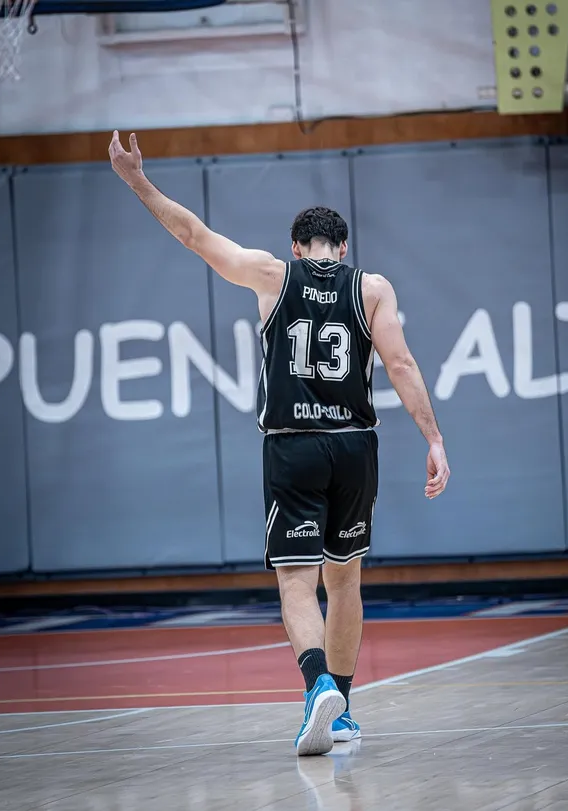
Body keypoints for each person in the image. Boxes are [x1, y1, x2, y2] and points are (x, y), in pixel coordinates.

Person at [109, 131, 451, 757]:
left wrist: (137, 181)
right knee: (345, 581)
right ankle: (341, 706)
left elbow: (193, 235)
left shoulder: (272, 275)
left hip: (292, 446)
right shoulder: (371, 288)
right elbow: (400, 364)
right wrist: (434, 439)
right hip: (355, 447)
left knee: (296, 582)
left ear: (298, 246)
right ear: (344, 247)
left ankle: (316, 680)